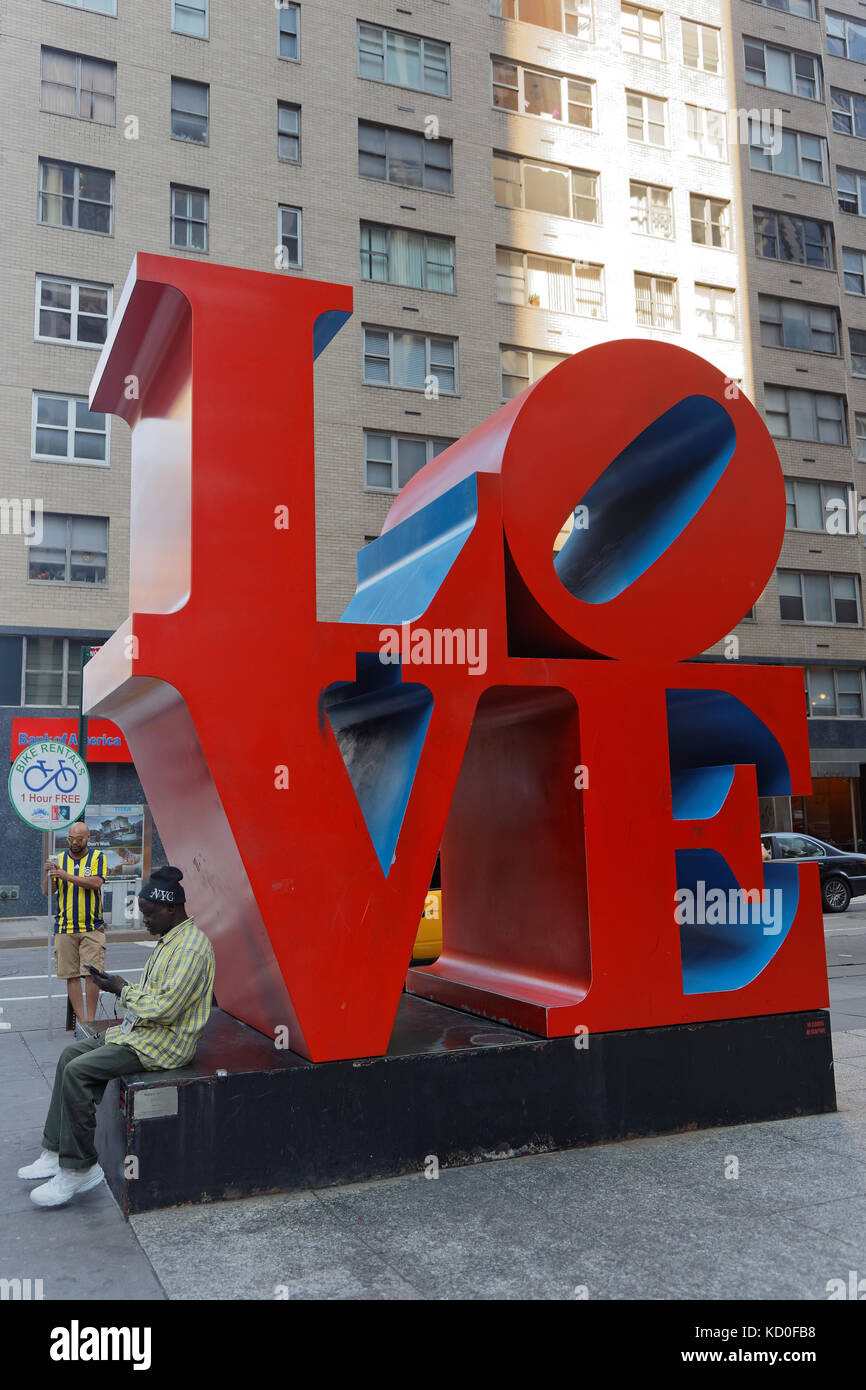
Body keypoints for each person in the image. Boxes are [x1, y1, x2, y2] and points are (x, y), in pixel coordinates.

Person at [19, 866, 215, 1209]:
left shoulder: (190, 949)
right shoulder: (172, 939)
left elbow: (166, 1009)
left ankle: (80, 1167)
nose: (145, 922)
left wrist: (123, 990)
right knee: (68, 1058)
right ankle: (54, 1149)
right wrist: (121, 985)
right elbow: (157, 995)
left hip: (165, 1044)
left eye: (149, 915)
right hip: (143, 1031)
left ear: (170, 908)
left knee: (79, 1072)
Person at [42, 822, 107, 1022]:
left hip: (92, 927)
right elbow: (48, 891)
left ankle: (92, 1019)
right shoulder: (59, 859)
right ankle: (83, 1022)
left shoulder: (98, 857)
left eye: (79, 839)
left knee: (91, 975)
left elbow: (96, 882)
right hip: (64, 927)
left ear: (88, 838)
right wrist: (49, 874)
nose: (75, 842)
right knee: (71, 975)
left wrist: (65, 875)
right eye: (71, 838)